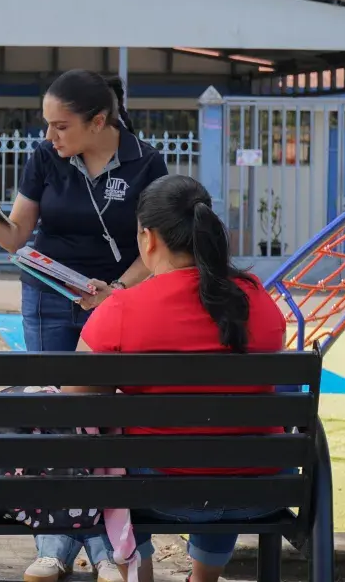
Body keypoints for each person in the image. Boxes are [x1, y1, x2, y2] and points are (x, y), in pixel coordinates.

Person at [0, 69, 168, 582]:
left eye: (60, 126)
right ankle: (64, 546)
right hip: (50, 298)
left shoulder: (147, 162)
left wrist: (115, 294)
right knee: (56, 417)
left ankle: (118, 543)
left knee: (111, 421)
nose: (50, 136)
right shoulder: (45, 157)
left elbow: (157, 243)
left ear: (99, 122)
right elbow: (16, 237)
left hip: (117, 302)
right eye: (47, 125)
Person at [74, 175, 286, 582]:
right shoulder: (255, 296)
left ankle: (140, 574)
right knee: (222, 451)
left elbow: (74, 402)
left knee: (105, 466)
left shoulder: (122, 308)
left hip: (160, 490)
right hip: (261, 488)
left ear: (148, 238)